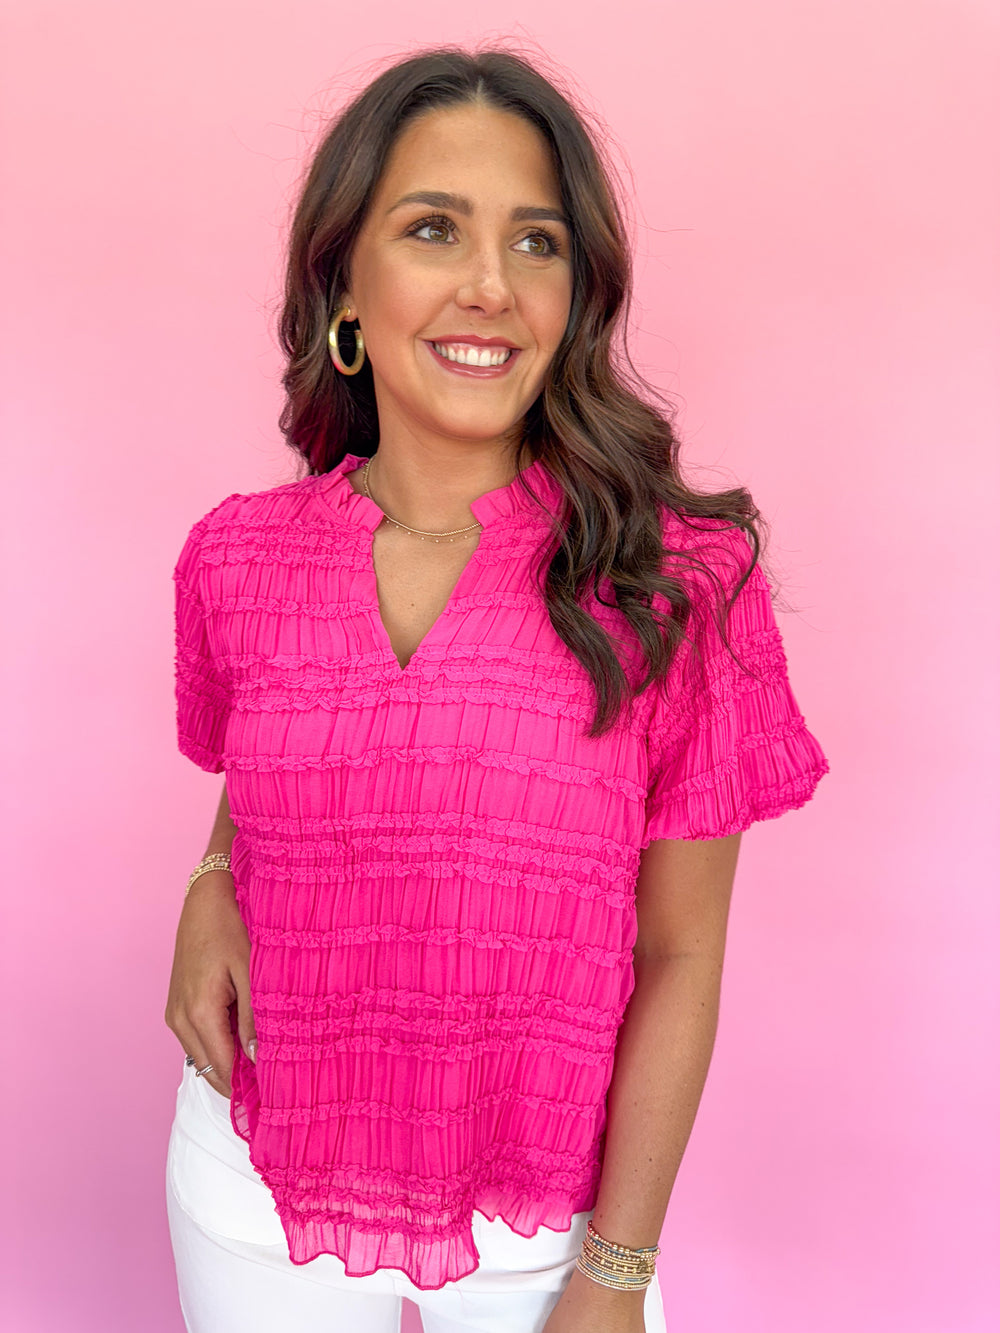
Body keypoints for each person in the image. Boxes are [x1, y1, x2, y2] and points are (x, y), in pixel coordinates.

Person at [163, 45, 828, 1333]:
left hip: (549, 1225)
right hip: (253, 1171)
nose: (491, 285)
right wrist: (209, 880)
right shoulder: (238, 556)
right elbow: (279, 762)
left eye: (537, 243)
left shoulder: (674, 581)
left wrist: (614, 1272)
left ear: (577, 295)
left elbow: (681, 953)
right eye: (433, 229)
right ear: (344, 282)